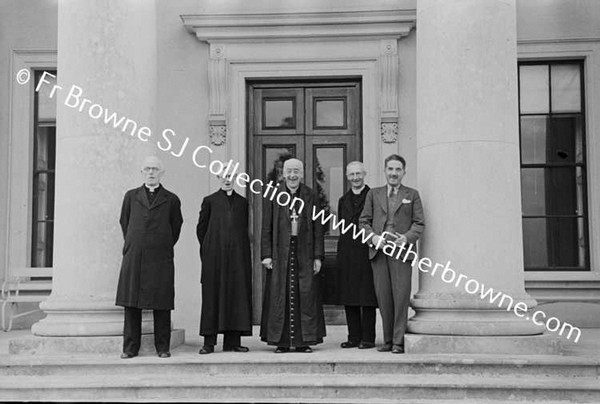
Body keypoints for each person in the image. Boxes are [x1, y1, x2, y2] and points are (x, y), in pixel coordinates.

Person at [116, 156, 183, 359]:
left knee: (161, 302)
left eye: (155, 169)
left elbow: (176, 227)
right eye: (147, 169)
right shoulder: (131, 196)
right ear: (142, 172)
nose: (151, 172)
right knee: (131, 303)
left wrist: (160, 244)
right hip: (135, 255)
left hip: (160, 257)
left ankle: (162, 347)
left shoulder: (171, 199)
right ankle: (130, 348)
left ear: (161, 173)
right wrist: (134, 244)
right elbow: (124, 222)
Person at [359, 154, 424, 354]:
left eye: (398, 169)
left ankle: (398, 341)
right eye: (390, 169)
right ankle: (387, 340)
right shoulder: (374, 194)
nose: (394, 173)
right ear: (385, 171)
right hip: (379, 252)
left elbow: (419, 223)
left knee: (401, 297)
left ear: (404, 172)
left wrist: (406, 238)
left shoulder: (412, 194)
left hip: (401, 253)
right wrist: (373, 238)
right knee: (384, 297)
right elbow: (363, 221)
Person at [260, 158, 326, 353]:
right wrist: (266, 254)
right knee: (281, 295)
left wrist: (317, 256)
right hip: (280, 252)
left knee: (304, 295)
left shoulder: (310, 195)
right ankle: (280, 342)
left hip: (304, 251)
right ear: (283, 173)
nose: (293, 175)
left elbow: (318, 228)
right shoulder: (273, 195)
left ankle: (303, 341)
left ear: (302, 173)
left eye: (296, 171)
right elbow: (266, 227)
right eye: (289, 171)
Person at [196, 172, 253, 354]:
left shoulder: (243, 202)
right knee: (212, 298)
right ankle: (209, 342)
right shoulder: (209, 201)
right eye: (224, 176)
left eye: (231, 176)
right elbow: (201, 229)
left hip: (237, 259)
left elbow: (243, 230)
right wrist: (210, 249)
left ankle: (233, 342)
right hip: (215, 259)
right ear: (218, 178)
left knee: (235, 297)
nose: (227, 179)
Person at [337, 162, 377, 350]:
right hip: (347, 252)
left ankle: (368, 338)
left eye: (358, 174)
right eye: (352, 174)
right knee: (349, 294)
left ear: (364, 174)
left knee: (367, 296)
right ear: (347, 176)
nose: (355, 177)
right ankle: (353, 337)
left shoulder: (373, 196)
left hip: (367, 250)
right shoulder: (342, 200)